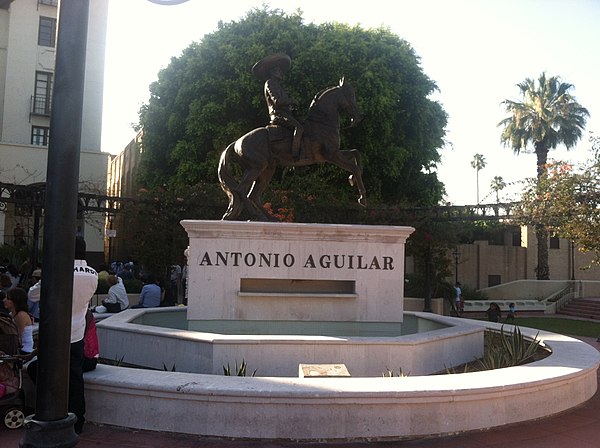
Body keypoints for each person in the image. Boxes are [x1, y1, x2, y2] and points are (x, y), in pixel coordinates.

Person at [26, 237, 98, 434]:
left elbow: (33, 295)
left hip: (55, 335)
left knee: (45, 372)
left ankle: (51, 411)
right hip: (77, 334)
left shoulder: (58, 270)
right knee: (75, 378)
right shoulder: (93, 275)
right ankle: (78, 421)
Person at [252, 53, 304, 161]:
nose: (281, 73)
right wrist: (292, 101)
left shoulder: (277, 84)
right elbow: (278, 101)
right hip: (278, 115)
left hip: (286, 113)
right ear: (272, 72)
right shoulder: (270, 83)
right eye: (278, 70)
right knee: (298, 128)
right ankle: (296, 158)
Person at [2, 287, 34, 354]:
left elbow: (18, 337)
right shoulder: (12, 314)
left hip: (24, 350)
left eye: (7, 298)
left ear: (15, 301)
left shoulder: (21, 315)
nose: (4, 300)